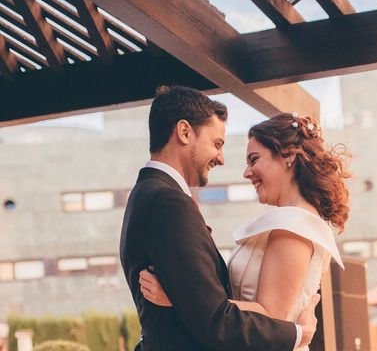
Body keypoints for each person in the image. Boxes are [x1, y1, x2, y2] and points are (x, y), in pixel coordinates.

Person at [119, 86, 319, 350]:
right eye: (217, 144)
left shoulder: (148, 194)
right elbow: (215, 320)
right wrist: (298, 334)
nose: (222, 159)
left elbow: (208, 307)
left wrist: (183, 299)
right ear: (184, 132)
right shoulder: (167, 201)